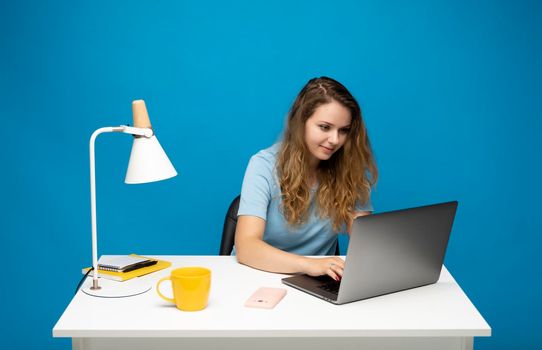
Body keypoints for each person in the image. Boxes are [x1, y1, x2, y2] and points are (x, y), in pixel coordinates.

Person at [235, 77, 378, 281]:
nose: (335, 140)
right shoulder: (263, 165)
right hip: (257, 274)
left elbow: (365, 241)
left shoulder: (350, 169)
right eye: (325, 127)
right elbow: (247, 247)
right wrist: (309, 265)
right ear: (301, 122)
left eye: (344, 130)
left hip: (318, 281)